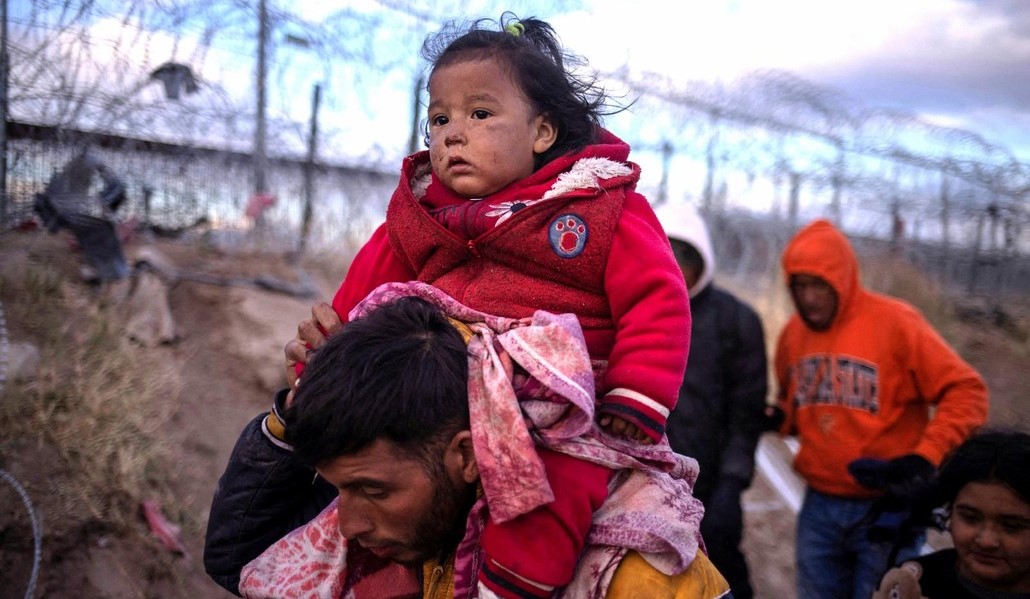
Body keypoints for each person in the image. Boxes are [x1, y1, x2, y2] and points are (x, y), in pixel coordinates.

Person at [283, 13, 690, 599]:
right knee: (390, 499)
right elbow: (362, 302)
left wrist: (639, 391)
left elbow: (657, 299)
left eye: (480, 114)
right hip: (446, 402)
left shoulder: (596, 207)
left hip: (559, 404)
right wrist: (321, 367)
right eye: (439, 118)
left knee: (550, 485)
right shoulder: (419, 218)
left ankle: (510, 584)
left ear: (542, 132)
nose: (452, 133)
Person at [205, 294, 731, 599]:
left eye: (372, 491)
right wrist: (292, 418)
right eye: (341, 489)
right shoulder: (412, 521)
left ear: (465, 455)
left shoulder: (638, 578)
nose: (346, 525)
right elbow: (244, 562)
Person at [772, 218, 990, 599]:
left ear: (842, 279)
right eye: (800, 285)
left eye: (819, 285)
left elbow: (967, 391)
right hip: (819, 506)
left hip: (886, 507)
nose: (809, 297)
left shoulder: (895, 322)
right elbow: (800, 405)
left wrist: (926, 456)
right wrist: (780, 418)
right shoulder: (793, 333)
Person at [653, 203, 768, 599]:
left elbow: (746, 415)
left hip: (712, 485)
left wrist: (732, 488)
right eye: (666, 253)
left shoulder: (737, 322)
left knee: (720, 574)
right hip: (645, 478)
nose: (676, 267)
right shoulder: (632, 313)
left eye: (686, 256)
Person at [871, 429, 1030, 599]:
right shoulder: (911, 583)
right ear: (950, 511)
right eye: (970, 518)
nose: (986, 541)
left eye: (1011, 526)